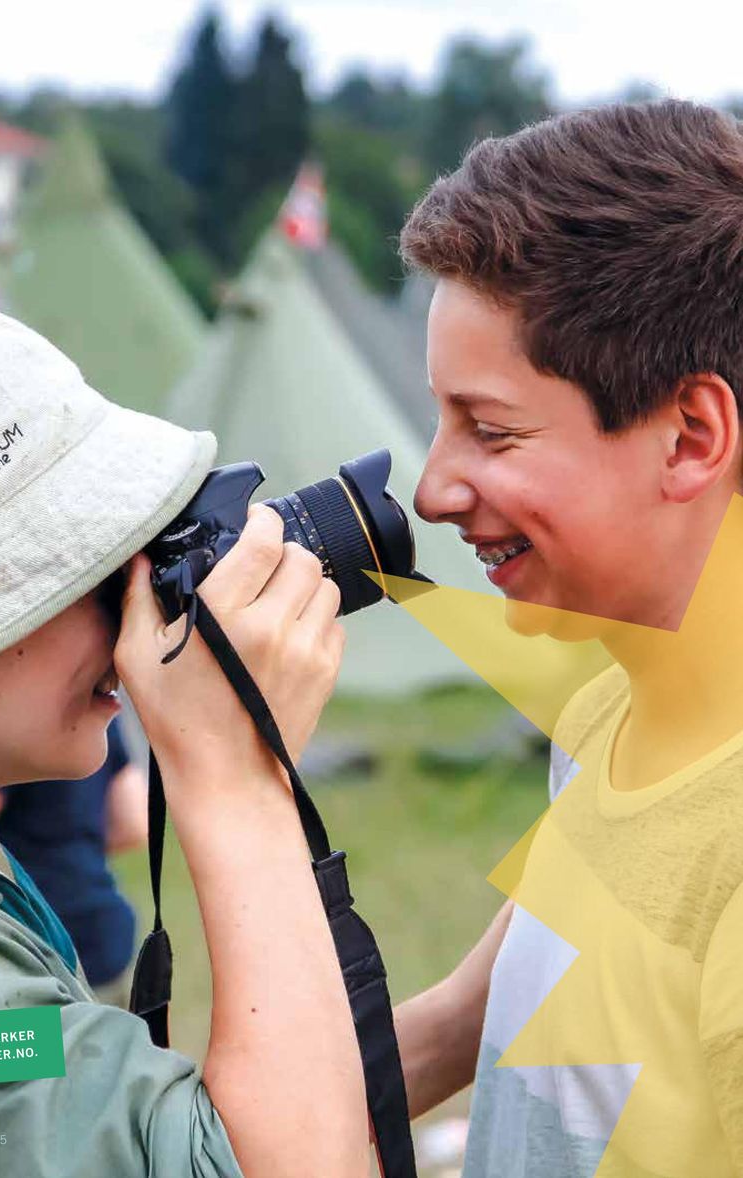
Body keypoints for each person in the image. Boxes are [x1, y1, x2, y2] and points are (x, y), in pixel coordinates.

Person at [0, 306, 367, 1177]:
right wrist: (234, 777)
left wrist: (478, 1007)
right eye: (97, 570)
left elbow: (112, 1131)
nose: (140, 609)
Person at [394, 99, 743, 1176]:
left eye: (489, 430)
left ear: (690, 437)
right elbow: (461, 1021)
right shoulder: (606, 718)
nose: (433, 488)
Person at [0, 717, 147, 1008]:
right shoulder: (103, 713)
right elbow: (134, 824)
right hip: (106, 938)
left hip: (32, 944)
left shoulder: (9, 722)